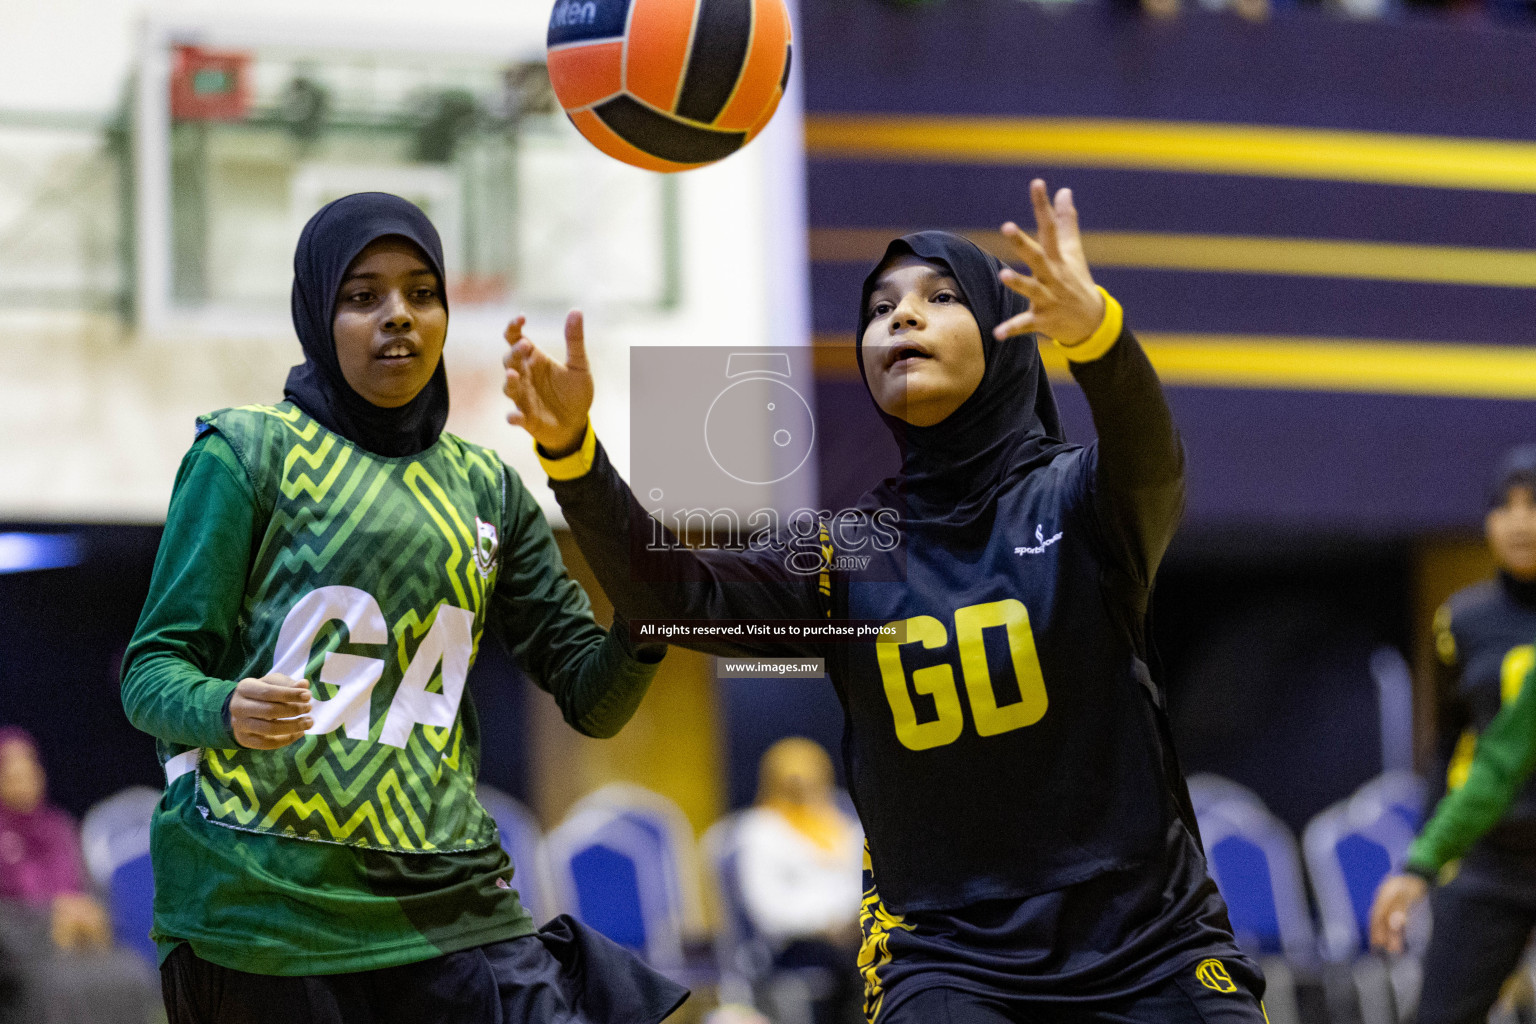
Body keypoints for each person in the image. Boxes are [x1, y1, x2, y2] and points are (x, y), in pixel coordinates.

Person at [503, 180, 1265, 1023]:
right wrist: (573, 456)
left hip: (1150, 942)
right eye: (880, 308)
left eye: (939, 298)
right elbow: (673, 598)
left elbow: (1154, 461)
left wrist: (1100, 340)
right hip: (946, 957)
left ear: (1006, 341)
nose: (901, 318)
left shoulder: (1079, 500)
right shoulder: (850, 549)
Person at [119, 193, 686, 1024]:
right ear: (318, 313)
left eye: (423, 294)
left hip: (449, 896)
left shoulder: (487, 485)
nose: (399, 318)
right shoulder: (247, 452)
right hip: (263, 902)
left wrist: (647, 618)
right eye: (364, 297)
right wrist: (223, 705)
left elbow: (593, 701)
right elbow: (150, 671)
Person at [1369, 446, 1536, 1024]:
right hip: (1493, 857)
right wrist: (1423, 862)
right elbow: (1487, 763)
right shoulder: (1463, 622)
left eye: (1534, 505)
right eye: (1506, 506)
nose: (1521, 521)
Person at [0, 727, 158, 1024]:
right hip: (23, 953)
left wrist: (90, 914)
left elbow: (93, 892)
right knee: (56, 986)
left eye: (30, 767)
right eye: (12, 772)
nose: (25, 777)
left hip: (79, 946)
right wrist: (50, 919)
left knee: (132, 972)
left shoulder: (60, 828)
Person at [735, 738, 862, 1024]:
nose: (804, 790)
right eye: (794, 784)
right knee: (861, 966)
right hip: (796, 947)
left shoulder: (842, 824)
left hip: (853, 933)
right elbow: (769, 912)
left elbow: (860, 885)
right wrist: (828, 923)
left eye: (812, 781)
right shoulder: (761, 831)